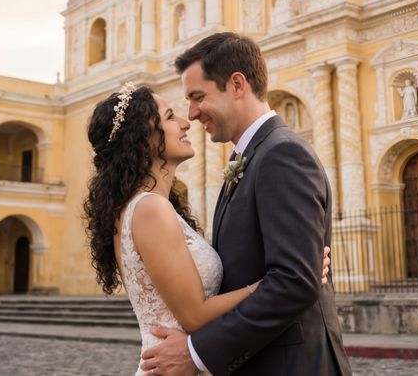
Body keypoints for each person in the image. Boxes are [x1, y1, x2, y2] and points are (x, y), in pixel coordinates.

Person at [84, 79, 332, 376]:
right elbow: (195, 315)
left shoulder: (144, 206)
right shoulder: (150, 209)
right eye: (170, 116)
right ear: (143, 137)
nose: (185, 122)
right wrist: (283, 280)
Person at [141, 31, 351, 375]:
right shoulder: (252, 156)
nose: (191, 114)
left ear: (237, 85)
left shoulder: (282, 154)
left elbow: (294, 282)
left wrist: (197, 352)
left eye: (197, 97)